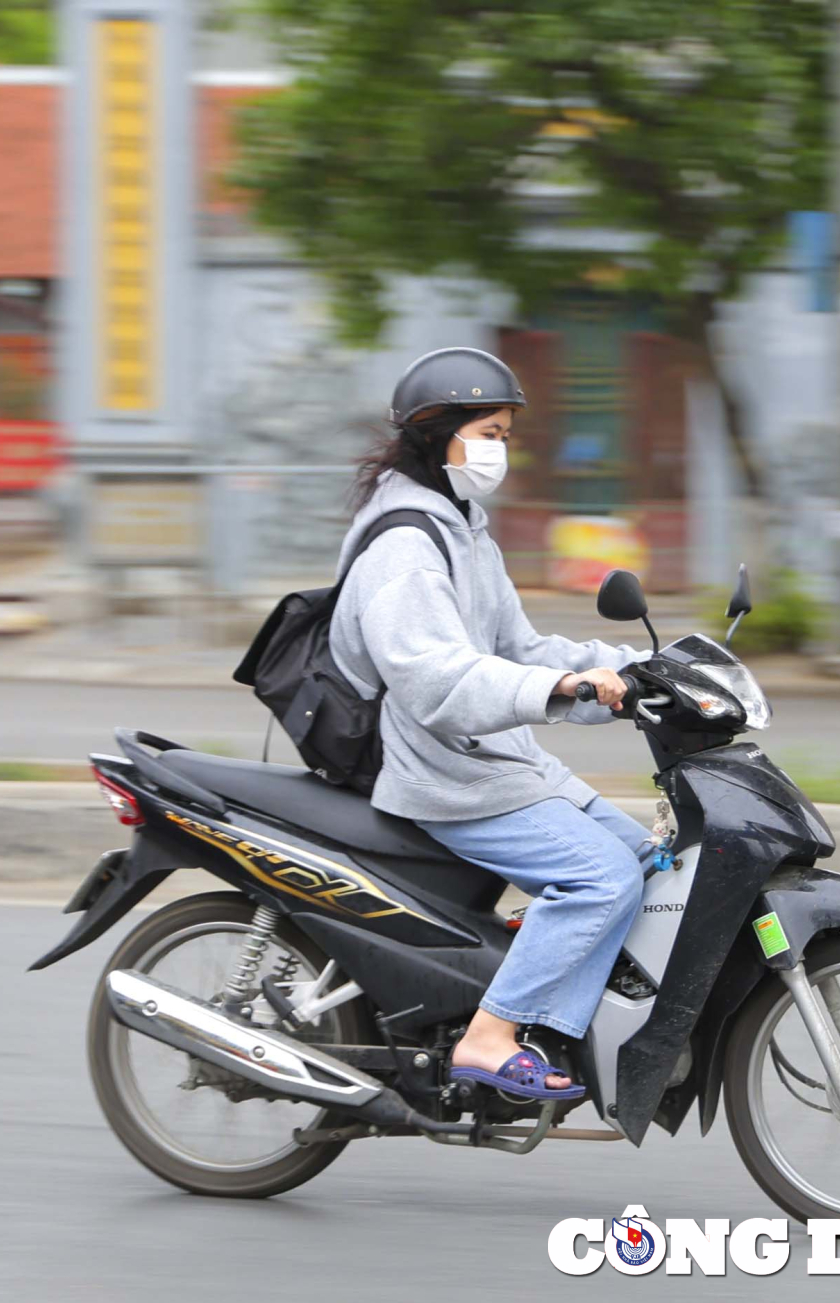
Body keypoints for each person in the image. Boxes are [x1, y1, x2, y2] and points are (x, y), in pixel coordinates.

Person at [328, 346, 649, 1101]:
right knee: (602, 877)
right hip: (441, 772)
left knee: (652, 862)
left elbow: (524, 652)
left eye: (507, 435)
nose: (501, 451)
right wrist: (563, 685)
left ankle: (560, 1021)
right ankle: (491, 1034)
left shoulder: (465, 530)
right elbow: (438, 681)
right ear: (439, 433)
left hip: (496, 764)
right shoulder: (405, 547)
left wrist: (641, 667)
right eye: (491, 434)